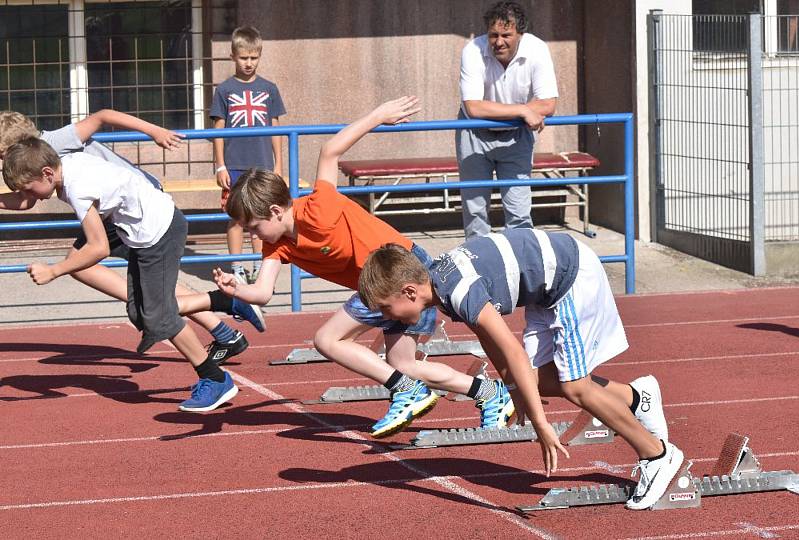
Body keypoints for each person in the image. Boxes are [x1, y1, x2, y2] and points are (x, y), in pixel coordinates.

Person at [182, 96, 516, 438]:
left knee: (328, 339)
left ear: (276, 212)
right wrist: (237, 289)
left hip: (405, 272)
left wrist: (379, 115)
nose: (251, 234)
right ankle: (491, 395)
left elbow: (330, 151)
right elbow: (263, 293)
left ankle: (410, 390)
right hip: (379, 291)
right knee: (403, 365)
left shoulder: (318, 206)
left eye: (253, 226)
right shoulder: (276, 243)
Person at [357, 231, 681, 510]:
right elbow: (488, 338)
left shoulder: (457, 291)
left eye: (387, 308)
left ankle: (657, 455)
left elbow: (513, 351)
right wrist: (514, 391)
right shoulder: (438, 285)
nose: (389, 318)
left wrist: (541, 422)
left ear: (410, 292)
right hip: (543, 288)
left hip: (570, 275)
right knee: (538, 383)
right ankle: (638, 397)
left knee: (575, 386)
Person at [1, 136, 265, 412]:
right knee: (140, 313)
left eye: (29, 189)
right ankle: (228, 302)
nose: (28, 196)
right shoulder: (62, 164)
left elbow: (98, 248)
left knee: (159, 317)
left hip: (159, 233)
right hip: (138, 229)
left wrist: (54, 271)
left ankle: (215, 378)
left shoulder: (77, 188)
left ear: (45, 173)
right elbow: (25, 201)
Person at [457, 1, 558, 239]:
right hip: (475, 133)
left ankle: (520, 270)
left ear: (520, 34)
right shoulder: (472, 50)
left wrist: (520, 113)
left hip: (517, 134)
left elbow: (548, 104)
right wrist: (523, 110)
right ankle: (480, 268)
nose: (498, 41)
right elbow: (473, 107)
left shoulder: (537, 49)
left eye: (506, 35)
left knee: (519, 212)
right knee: (475, 212)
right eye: (493, 35)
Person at [211, 25, 286, 285]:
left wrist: (279, 165)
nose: (249, 63)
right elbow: (218, 130)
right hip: (234, 165)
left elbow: (276, 127)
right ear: (233, 56)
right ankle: (237, 268)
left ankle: (258, 266)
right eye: (244, 57)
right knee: (235, 219)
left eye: (254, 58)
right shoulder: (224, 90)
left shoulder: (269, 88)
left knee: (261, 218)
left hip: (263, 165)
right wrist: (220, 166)